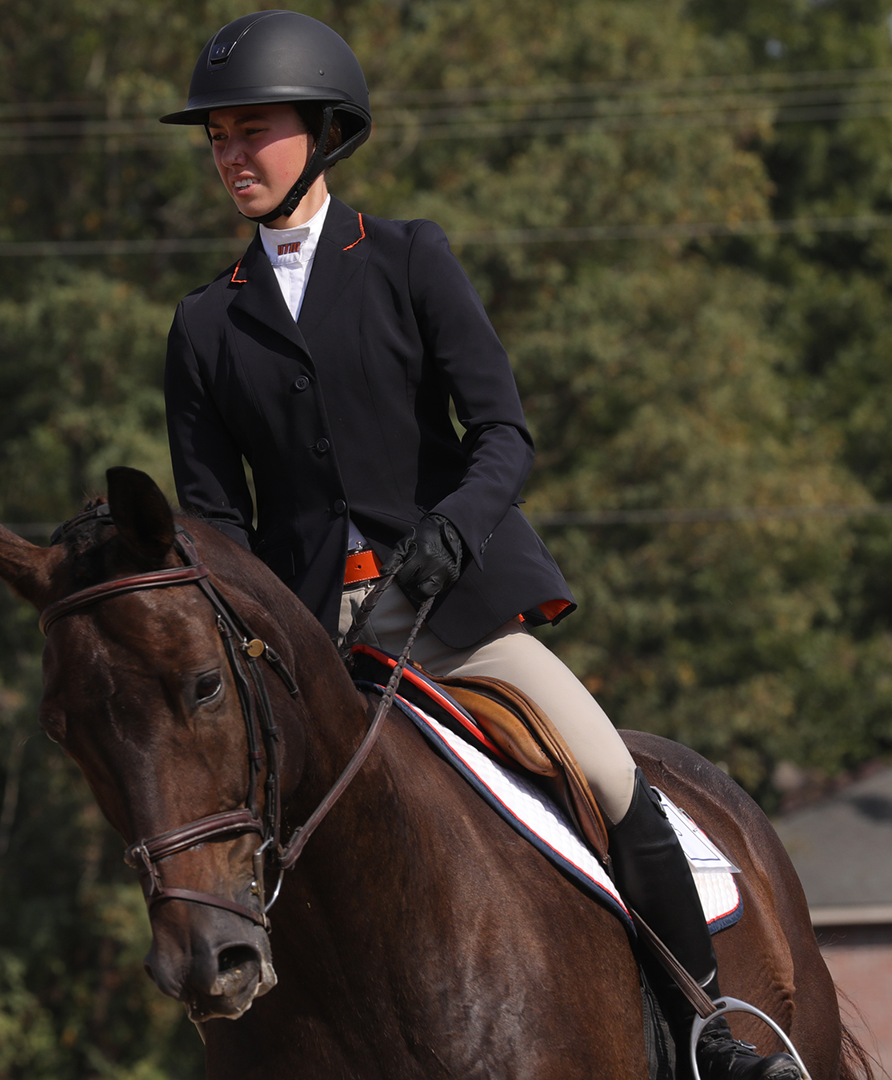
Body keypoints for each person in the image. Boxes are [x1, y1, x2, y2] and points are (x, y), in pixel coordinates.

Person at [159, 11, 799, 1080]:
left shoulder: (408, 258)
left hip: (447, 616)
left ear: (321, 131)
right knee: (201, 825)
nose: (229, 155)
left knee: (609, 774)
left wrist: (449, 535)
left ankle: (709, 1036)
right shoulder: (204, 326)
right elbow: (214, 518)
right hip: (305, 644)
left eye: (249, 130)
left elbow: (501, 431)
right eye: (216, 137)